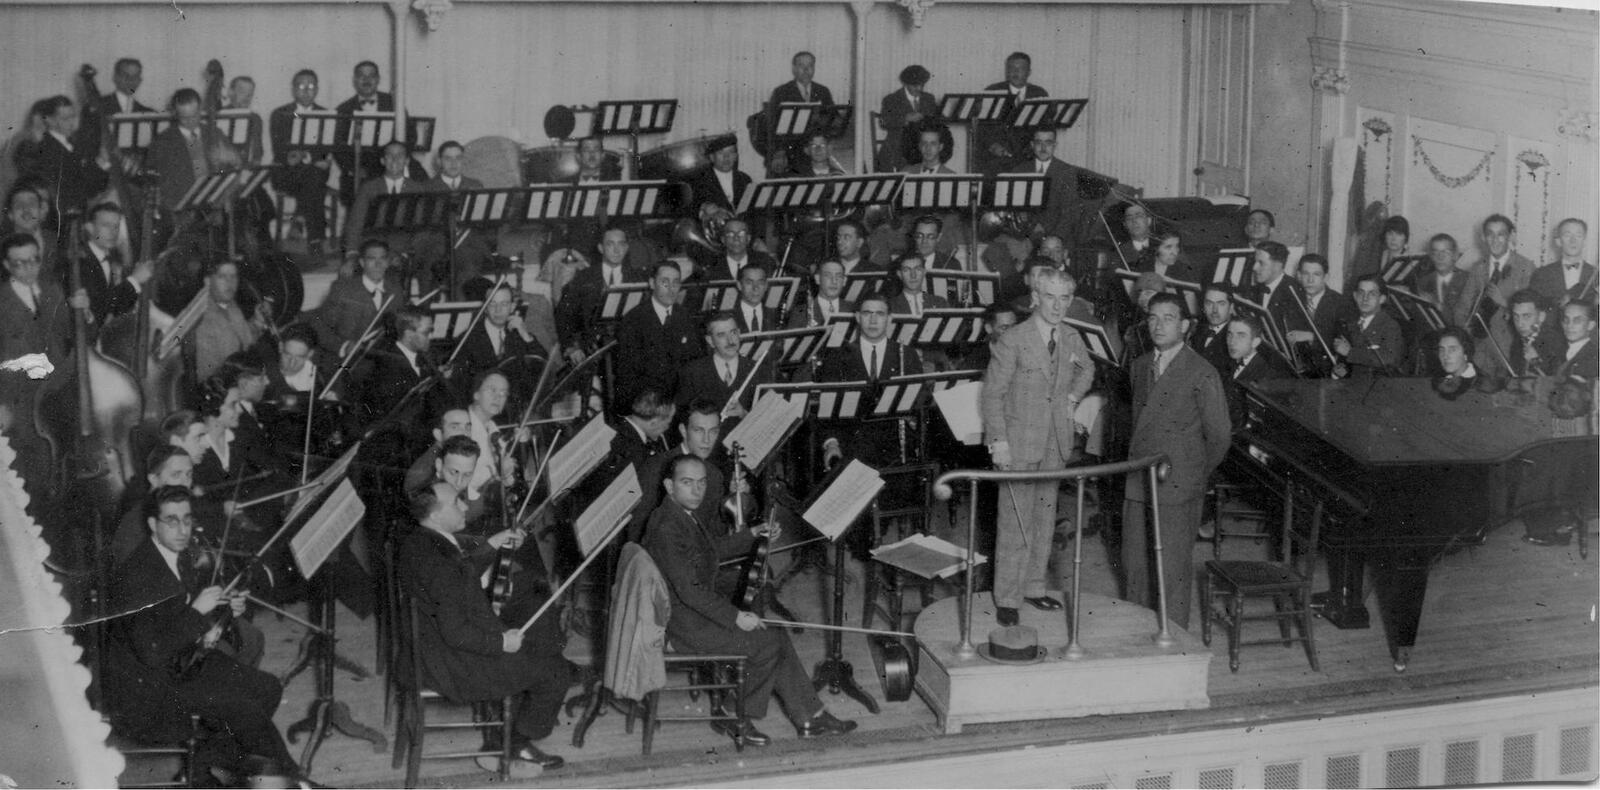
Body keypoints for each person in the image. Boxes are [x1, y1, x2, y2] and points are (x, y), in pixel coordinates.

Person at [641, 453, 857, 745]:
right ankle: (732, 712)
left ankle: (810, 716)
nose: (696, 490)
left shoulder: (680, 514)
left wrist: (751, 534)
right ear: (669, 485)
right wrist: (735, 617)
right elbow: (691, 591)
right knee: (766, 644)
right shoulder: (668, 527)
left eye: (701, 483)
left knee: (774, 635)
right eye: (687, 482)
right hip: (680, 625)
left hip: (686, 613)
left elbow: (708, 550)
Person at [103, 485, 300, 784]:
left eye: (187, 519)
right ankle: (290, 779)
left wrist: (226, 611)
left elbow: (180, 622)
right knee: (245, 712)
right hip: (148, 693)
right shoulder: (136, 575)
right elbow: (152, 651)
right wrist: (197, 611)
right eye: (172, 521)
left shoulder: (178, 555)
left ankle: (210, 765)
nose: (182, 529)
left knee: (268, 688)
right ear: (153, 525)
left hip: (182, 665)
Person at [399, 482, 572, 774]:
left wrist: (493, 545)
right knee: (556, 672)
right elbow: (457, 632)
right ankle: (513, 746)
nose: (465, 505)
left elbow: (459, 576)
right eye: (457, 502)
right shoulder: (439, 564)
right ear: (435, 514)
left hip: (426, 651)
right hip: (450, 665)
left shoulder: (420, 541)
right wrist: (500, 643)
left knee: (533, 649)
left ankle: (505, 736)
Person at [980, 269, 1094, 626]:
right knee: (1015, 523)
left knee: (1045, 521)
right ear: (1035, 298)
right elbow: (993, 395)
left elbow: (1087, 370)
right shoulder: (1013, 339)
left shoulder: (1073, 338)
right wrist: (998, 442)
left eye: (1064, 298)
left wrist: (1072, 398)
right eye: (1050, 297)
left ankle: (1033, 587)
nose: (1058, 305)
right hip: (1018, 444)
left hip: (1055, 443)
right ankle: (1008, 597)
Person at [1121, 293, 1230, 631]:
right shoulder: (1139, 366)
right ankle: (1135, 637)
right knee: (1135, 567)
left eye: (1168, 318)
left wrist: (1191, 471)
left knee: (1172, 570)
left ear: (1185, 325)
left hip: (1177, 485)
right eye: (1152, 317)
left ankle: (1175, 641)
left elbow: (1219, 436)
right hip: (1138, 479)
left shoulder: (1202, 371)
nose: (1158, 325)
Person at [817, 294, 923, 468]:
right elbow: (827, 410)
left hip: (897, 447)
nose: (873, 320)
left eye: (880, 314)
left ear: (890, 319)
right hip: (852, 446)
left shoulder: (906, 355)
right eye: (867, 313)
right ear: (858, 317)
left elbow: (920, 400)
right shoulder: (837, 357)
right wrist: (831, 444)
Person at [628, 399, 730, 543]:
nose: (706, 440)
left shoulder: (715, 475)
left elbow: (715, 534)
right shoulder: (655, 468)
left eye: (713, 431)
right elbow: (637, 533)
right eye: (698, 430)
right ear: (683, 430)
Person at [615, 261, 701, 409]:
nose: (671, 289)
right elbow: (629, 377)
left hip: (682, 402)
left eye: (676, 283)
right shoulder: (633, 320)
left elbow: (696, 363)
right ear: (652, 283)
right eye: (664, 282)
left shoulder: (686, 317)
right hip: (647, 404)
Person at [554, 226, 644, 364]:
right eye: (610, 244)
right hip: (591, 352)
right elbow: (563, 316)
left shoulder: (638, 279)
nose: (616, 250)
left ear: (626, 248)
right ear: (601, 248)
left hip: (628, 352)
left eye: (621, 244)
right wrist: (571, 347)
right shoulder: (582, 279)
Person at [269, 69, 333, 249]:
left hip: (313, 173)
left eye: (311, 86)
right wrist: (307, 158)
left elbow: (325, 149)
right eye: (301, 86)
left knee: (314, 175)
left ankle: (300, 220)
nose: (306, 90)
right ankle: (315, 240)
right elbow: (280, 149)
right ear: (293, 89)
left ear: (318, 89)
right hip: (286, 174)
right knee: (315, 178)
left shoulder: (326, 114)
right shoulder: (280, 114)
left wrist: (302, 156)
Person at [676, 310, 772, 425]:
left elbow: (768, 420)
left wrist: (744, 414)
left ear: (739, 333)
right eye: (721, 335)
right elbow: (683, 419)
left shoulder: (759, 370)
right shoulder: (692, 372)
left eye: (733, 333)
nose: (730, 341)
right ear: (710, 341)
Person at [1452, 214, 1535, 338]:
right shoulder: (1478, 268)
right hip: (1478, 340)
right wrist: (1463, 333)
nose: (1495, 240)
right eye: (1490, 234)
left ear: (1511, 236)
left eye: (1501, 234)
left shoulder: (1526, 267)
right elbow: (1463, 307)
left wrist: (1502, 301)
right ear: (1483, 237)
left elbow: (1531, 312)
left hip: (1510, 339)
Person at [148, 88, 229, 212]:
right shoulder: (163, 142)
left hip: (214, 205)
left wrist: (229, 157)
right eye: (185, 118)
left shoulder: (214, 133)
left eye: (195, 116)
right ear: (175, 113)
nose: (191, 123)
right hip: (182, 209)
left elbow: (236, 164)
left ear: (200, 109)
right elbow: (160, 184)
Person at [70, 201, 151, 325]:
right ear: (90, 228)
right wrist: (134, 280)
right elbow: (101, 307)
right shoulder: (80, 262)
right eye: (106, 225)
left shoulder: (114, 259)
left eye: (116, 226)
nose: (113, 232)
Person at [186, 258, 263, 383]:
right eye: (222, 276)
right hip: (221, 389)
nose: (230, 282)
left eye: (234, 276)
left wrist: (257, 322)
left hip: (241, 379)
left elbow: (243, 340)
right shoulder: (202, 318)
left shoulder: (231, 305)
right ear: (207, 281)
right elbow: (210, 374)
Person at [345, 140, 425, 259]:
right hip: (374, 247)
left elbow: (421, 226)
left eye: (400, 155)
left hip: (405, 248)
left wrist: (409, 252)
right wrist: (352, 253)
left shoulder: (417, 189)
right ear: (382, 160)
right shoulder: (369, 188)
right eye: (389, 156)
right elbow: (356, 222)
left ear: (407, 161)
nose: (395, 159)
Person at [1010, 128, 1088, 249]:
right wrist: (1031, 230)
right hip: (1025, 237)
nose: (1043, 147)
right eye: (1038, 142)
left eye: (1048, 142)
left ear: (1055, 145)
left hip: (1057, 238)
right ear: (1032, 145)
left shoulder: (1067, 172)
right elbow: (1015, 209)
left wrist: (1053, 237)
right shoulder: (1018, 171)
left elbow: (1070, 212)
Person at [333, 60, 395, 204]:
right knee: (356, 194)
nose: (366, 80)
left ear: (378, 79)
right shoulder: (343, 109)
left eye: (371, 76)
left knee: (418, 178)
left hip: (391, 161)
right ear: (354, 80)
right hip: (359, 165)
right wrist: (353, 169)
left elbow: (409, 135)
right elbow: (337, 148)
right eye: (361, 76)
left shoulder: (393, 102)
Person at [975, 52, 1048, 173]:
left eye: (1021, 69)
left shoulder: (1040, 93)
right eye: (1011, 68)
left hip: (1030, 156)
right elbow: (981, 126)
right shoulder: (992, 91)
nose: (1015, 72)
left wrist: (1036, 148)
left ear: (1029, 72)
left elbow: (1046, 127)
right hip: (998, 159)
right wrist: (992, 145)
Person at [1286, 253, 1354, 375]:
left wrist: (1312, 337)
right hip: (1299, 370)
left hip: (1329, 372)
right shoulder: (1292, 300)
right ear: (1298, 275)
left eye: (1316, 274)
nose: (1310, 280)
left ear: (1326, 277)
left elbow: (1346, 343)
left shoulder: (1341, 303)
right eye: (1306, 274)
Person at [1223, 314, 1293, 429]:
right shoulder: (1229, 363)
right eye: (1229, 334)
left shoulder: (1267, 375)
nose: (1232, 342)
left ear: (1255, 342)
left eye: (1241, 336)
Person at [1334, 274, 1405, 378]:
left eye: (1372, 294)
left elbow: (1389, 359)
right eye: (1361, 293)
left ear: (1382, 299)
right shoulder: (1350, 325)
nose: (1365, 299)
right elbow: (1346, 364)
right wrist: (1338, 372)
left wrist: (1351, 352)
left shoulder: (1390, 326)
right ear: (1355, 296)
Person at [876, 65, 939, 173]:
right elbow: (883, 122)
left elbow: (936, 121)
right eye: (915, 85)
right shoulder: (891, 99)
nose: (919, 88)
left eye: (922, 85)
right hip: (898, 145)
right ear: (905, 83)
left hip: (922, 144)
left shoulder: (929, 98)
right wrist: (905, 119)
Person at [1247, 241, 1310, 343]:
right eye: (1255, 262)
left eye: (1261, 263)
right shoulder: (1254, 290)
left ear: (1277, 265)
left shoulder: (1294, 291)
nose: (1254, 267)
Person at [1530, 218, 1596, 306]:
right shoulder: (1542, 274)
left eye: (1578, 236)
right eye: (1567, 235)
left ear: (1584, 241)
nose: (1573, 240)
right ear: (1558, 241)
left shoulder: (1596, 274)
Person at [685, 135, 750, 218]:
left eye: (731, 152)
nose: (726, 157)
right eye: (720, 153)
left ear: (736, 156)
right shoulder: (698, 180)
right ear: (712, 157)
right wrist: (702, 209)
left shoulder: (745, 179)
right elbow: (688, 208)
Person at [1506, 289, 1561, 377]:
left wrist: (1536, 361)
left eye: (1526, 316)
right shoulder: (1517, 342)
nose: (1520, 324)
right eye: (1516, 316)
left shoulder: (1556, 342)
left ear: (1541, 316)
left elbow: (1559, 384)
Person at [786, 258, 853, 329]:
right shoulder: (800, 314)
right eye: (828, 275)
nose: (834, 281)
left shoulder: (853, 310)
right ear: (817, 279)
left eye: (839, 276)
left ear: (845, 280)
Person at [1413, 233, 1467, 316]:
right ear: (1430, 256)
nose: (1440, 257)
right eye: (1435, 253)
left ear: (1455, 255)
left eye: (1445, 252)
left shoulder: (1468, 280)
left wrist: (1439, 307)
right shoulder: (1423, 282)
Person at [1190, 283, 1235, 375]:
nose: (1214, 310)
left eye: (1221, 304)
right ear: (1203, 307)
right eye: (1209, 303)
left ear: (1231, 308)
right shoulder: (1197, 330)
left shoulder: (1234, 338)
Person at [1555, 300, 1598, 379]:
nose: (1569, 325)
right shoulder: (1558, 350)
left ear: (1590, 325)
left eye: (1577, 321)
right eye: (1566, 320)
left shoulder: (1594, 358)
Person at [731, 265, 779, 333]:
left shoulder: (775, 315)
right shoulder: (729, 316)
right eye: (749, 283)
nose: (755, 288)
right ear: (739, 285)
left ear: (766, 286)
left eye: (760, 282)